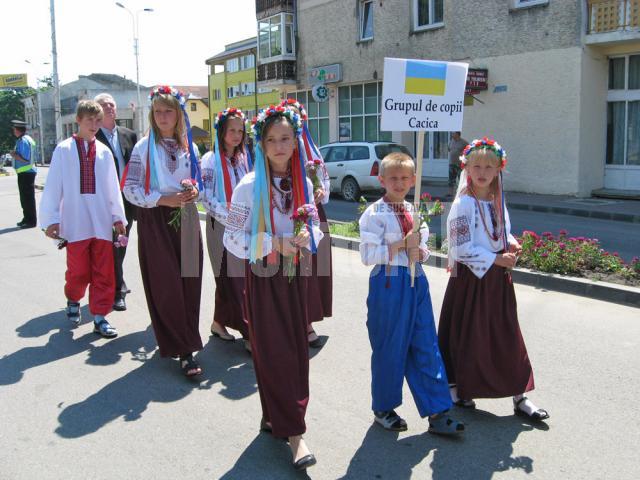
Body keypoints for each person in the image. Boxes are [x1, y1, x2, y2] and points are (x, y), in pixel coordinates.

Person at [224, 105, 323, 470]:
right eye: (271, 140)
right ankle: (295, 434)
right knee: (274, 352)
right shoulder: (249, 186)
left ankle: (276, 417)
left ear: (296, 142)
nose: (279, 145)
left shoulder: (304, 183)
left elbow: (314, 230)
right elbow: (233, 239)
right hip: (264, 279)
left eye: (285, 138)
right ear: (261, 145)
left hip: (296, 277)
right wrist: (272, 243)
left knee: (294, 352)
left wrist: (304, 238)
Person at [438, 137, 549, 421]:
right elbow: (460, 247)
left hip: (497, 281)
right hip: (472, 282)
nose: (483, 171)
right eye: (477, 165)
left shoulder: (496, 199)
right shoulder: (464, 203)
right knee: (469, 336)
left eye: (489, 165)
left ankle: (520, 395)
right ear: (467, 168)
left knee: (506, 336)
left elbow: (500, 232)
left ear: (499, 168)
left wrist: (510, 244)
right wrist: (497, 258)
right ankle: (458, 388)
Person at [358, 152, 465, 436]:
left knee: (426, 344)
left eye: (405, 177)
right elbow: (368, 255)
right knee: (390, 348)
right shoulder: (373, 213)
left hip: (417, 280)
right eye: (393, 177)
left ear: (413, 179)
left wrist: (421, 250)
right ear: (381, 179)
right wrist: (401, 245)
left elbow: (425, 247)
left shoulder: (415, 210)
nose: (399, 182)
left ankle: (438, 411)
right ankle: (384, 407)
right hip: (388, 283)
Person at [122, 85, 204, 377]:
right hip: (156, 219)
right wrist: (161, 199)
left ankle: (186, 338)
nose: (163, 116)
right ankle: (184, 350)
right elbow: (130, 189)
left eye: (169, 110)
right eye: (158, 111)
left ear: (179, 113)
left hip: (187, 217)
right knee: (167, 284)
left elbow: (198, 182)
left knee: (190, 281)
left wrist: (194, 191)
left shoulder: (189, 146)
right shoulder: (144, 147)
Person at [39, 100, 127, 338]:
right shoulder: (64, 149)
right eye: (89, 120)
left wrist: (118, 217)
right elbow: (53, 186)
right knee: (78, 272)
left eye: (98, 120)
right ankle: (73, 298)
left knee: (104, 271)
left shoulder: (105, 152)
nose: (94, 125)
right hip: (75, 223)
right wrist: (51, 220)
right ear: (78, 120)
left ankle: (100, 316)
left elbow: (112, 188)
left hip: (100, 223)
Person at [280, 98, 332, 348]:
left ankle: (308, 317)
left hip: (312, 212)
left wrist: (322, 191)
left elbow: (323, 177)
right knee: (298, 268)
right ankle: (302, 323)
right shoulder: (281, 146)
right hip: (289, 212)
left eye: (297, 118)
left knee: (313, 269)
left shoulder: (310, 147)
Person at [201, 107, 251, 350]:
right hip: (220, 224)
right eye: (231, 130)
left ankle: (218, 322)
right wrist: (230, 217)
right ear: (221, 132)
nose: (236, 135)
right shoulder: (210, 160)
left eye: (240, 131)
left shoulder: (243, 159)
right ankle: (249, 332)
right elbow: (206, 197)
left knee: (236, 277)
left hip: (243, 223)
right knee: (231, 277)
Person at [94, 93, 138, 312]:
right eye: (104, 105)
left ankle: (116, 279)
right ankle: (117, 291)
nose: (110, 107)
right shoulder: (92, 138)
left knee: (122, 243)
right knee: (112, 245)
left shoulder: (128, 134)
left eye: (112, 104)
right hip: (105, 202)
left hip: (127, 201)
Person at [10, 119, 37, 228]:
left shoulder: (24, 141)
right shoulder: (23, 139)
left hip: (27, 172)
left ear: (18, 130)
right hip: (24, 173)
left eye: (14, 129)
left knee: (28, 198)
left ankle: (31, 221)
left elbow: (25, 159)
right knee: (24, 198)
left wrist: (14, 155)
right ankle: (26, 218)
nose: (13, 131)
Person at [447, 131, 467, 198]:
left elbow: (468, 150)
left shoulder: (463, 142)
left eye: (454, 133)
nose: (452, 134)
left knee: (461, 179)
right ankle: (450, 194)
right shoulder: (451, 141)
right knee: (451, 180)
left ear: (458, 134)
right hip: (452, 163)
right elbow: (449, 149)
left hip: (459, 164)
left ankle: (462, 193)